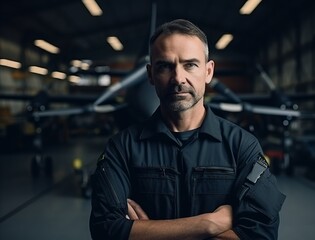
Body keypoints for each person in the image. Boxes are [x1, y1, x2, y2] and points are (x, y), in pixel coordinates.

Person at [89, 19, 286, 240]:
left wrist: (148, 232)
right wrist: (208, 224)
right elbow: (105, 230)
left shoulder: (242, 145)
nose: (178, 78)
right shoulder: (122, 148)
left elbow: (261, 234)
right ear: (150, 74)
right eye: (165, 66)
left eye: (190, 64)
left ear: (208, 71)